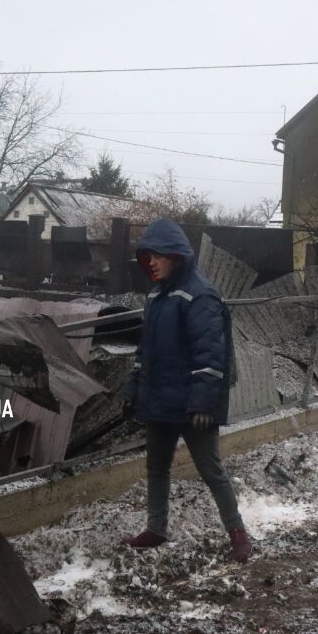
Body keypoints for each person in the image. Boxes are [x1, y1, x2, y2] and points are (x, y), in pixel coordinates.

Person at [122, 219, 253, 563]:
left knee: (211, 470)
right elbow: (145, 351)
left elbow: (211, 354)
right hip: (161, 401)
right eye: (147, 256)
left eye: (157, 255)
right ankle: (156, 529)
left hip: (194, 405)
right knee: (156, 467)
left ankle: (238, 533)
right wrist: (134, 388)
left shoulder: (200, 293)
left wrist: (203, 401)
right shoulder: (156, 295)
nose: (150, 262)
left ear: (176, 255)